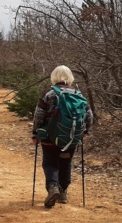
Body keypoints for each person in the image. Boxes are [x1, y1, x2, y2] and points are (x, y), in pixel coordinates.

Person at [31, 65, 94, 208]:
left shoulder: (49, 93)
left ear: (54, 76)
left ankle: (53, 187)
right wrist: (84, 132)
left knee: (50, 163)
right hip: (71, 138)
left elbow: (38, 115)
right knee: (65, 163)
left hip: (49, 137)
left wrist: (35, 133)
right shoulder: (78, 94)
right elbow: (89, 115)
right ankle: (63, 192)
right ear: (70, 77)